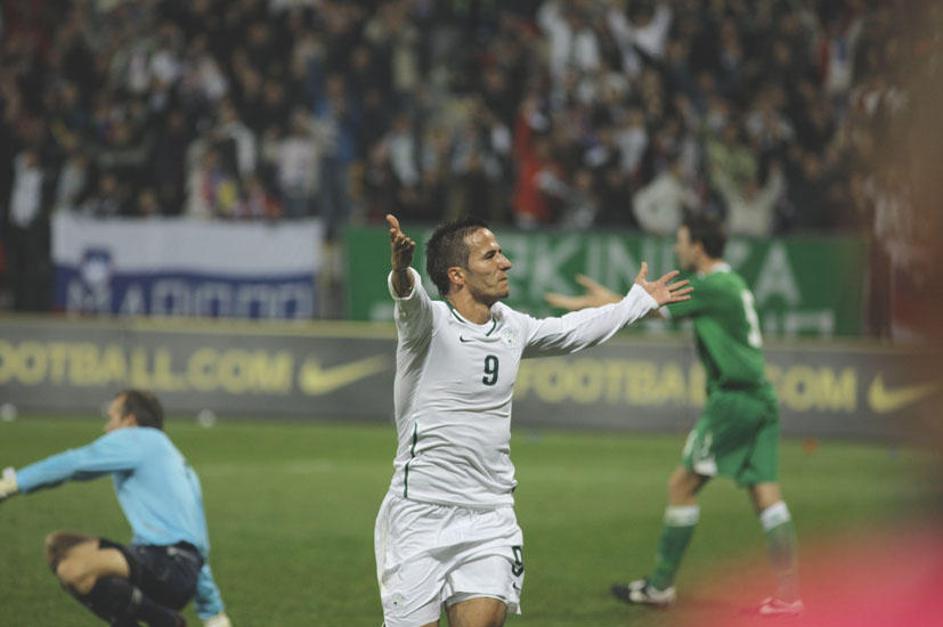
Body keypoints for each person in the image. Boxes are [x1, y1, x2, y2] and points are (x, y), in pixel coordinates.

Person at [375, 214, 691, 627]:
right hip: (421, 512)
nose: (505, 262)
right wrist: (401, 270)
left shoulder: (511, 326)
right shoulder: (428, 325)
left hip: (490, 515)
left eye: (501, 253)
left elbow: (573, 330)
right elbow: (408, 298)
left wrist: (637, 302)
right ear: (457, 275)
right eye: (490, 256)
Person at [545, 211, 801, 616]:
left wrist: (603, 303)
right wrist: (609, 301)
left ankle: (659, 588)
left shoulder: (712, 285)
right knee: (766, 494)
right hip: (760, 397)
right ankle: (789, 598)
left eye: (681, 241)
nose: (677, 248)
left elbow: (653, 306)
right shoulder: (731, 283)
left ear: (697, 248)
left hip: (734, 399)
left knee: (681, 485)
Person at [0, 390, 232, 627]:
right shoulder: (176, 461)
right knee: (58, 545)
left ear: (130, 421)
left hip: (165, 564)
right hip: (176, 570)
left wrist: (11, 484)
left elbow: (76, 463)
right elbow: (197, 543)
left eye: (111, 418)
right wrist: (214, 613)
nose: (106, 428)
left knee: (73, 569)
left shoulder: (138, 438)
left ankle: (167, 621)